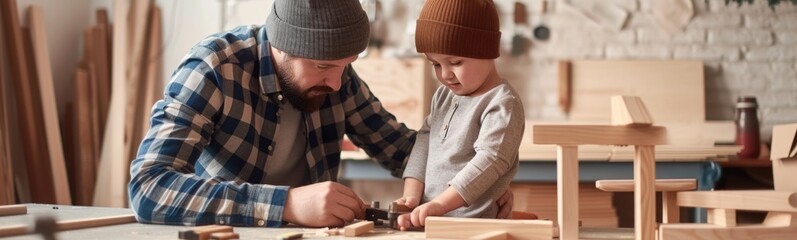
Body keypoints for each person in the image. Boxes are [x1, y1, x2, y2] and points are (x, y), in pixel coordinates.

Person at [128, 0, 513, 228]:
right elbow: (148, 187)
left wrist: (470, 183)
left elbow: (403, 149)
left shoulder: (337, 78)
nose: (337, 82)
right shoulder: (212, 69)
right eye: (324, 67)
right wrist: (288, 205)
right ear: (282, 47)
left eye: (347, 65)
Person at [394, 0, 525, 230]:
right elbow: (424, 142)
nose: (445, 74)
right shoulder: (443, 96)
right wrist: (412, 196)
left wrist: (440, 205)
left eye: (455, 62)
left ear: (486, 50)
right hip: (430, 220)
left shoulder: (502, 103)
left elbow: (490, 160)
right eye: (435, 64)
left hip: (473, 227)